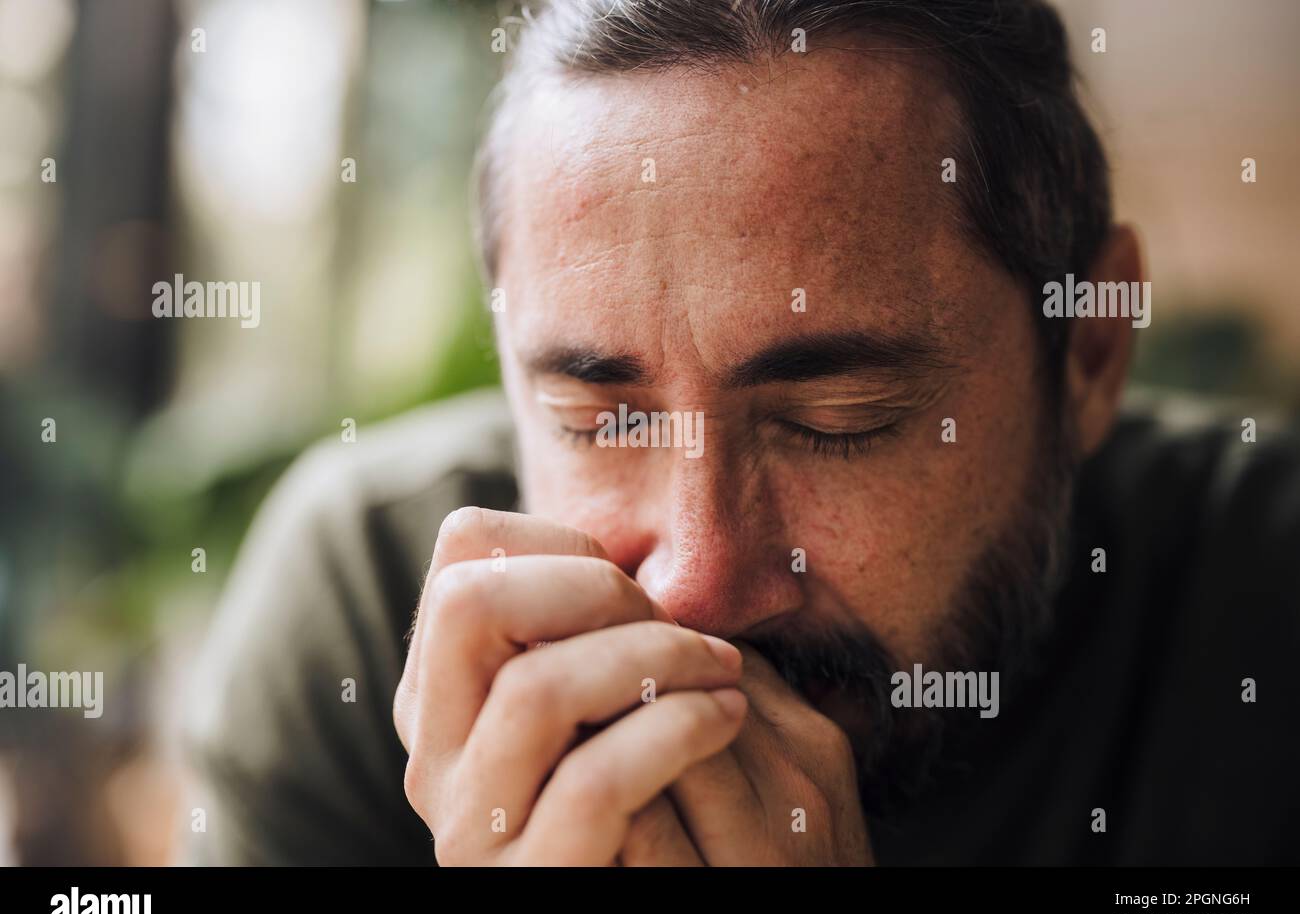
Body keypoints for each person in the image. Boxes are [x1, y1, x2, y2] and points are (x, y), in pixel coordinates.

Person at [184, 0, 1300, 866]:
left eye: (837, 421)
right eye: (599, 417)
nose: (697, 587)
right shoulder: (369, 600)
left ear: (1090, 353)